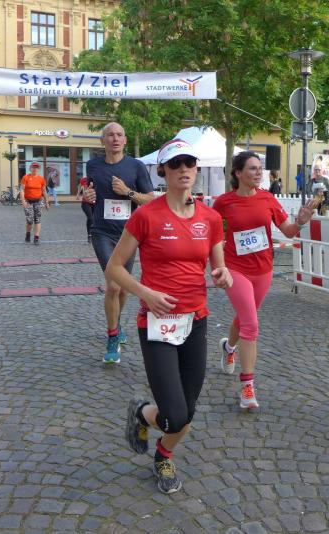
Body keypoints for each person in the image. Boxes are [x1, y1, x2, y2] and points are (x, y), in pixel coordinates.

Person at [107, 139, 232, 494]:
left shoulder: (210, 218)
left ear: (196, 168)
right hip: (157, 324)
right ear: (162, 170)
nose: (183, 169)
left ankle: (163, 452)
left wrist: (223, 274)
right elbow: (115, 268)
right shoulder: (146, 216)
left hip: (195, 320)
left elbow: (219, 266)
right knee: (174, 414)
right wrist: (145, 293)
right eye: (175, 164)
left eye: (189, 163)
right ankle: (144, 413)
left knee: (186, 413)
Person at [213, 151, 319, 410]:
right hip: (235, 269)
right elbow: (212, 236)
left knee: (244, 318)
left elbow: (289, 232)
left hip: (263, 270)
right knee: (251, 323)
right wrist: (217, 266)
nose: (258, 172)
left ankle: (229, 347)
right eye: (252, 168)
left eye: (260, 168)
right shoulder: (223, 202)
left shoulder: (268, 198)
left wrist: (300, 222)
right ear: (238, 173)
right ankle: (247, 387)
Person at [82, 122, 155, 363]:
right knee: (114, 286)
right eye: (110, 135)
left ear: (125, 140)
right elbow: (87, 195)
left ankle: (116, 322)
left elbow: (150, 200)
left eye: (119, 135)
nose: (115, 138)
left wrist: (128, 192)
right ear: (102, 141)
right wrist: (87, 196)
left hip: (128, 234)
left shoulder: (136, 166)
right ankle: (112, 335)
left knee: (123, 288)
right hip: (102, 231)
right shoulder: (93, 165)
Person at [20, 162, 50, 244]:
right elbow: (22, 190)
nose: (35, 169)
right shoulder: (26, 177)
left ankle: (36, 238)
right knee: (30, 220)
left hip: (38, 201)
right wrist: (23, 201)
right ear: (30, 168)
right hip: (28, 201)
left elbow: (44, 191)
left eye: (36, 168)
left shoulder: (41, 179)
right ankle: (28, 233)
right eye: (33, 167)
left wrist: (47, 202)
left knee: (37, 219)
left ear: (38, 169)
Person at [76, 175, 95, 242]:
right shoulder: (84, 179)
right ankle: (89, 235)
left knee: (94, 219)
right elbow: (80, 185)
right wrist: (78, 194)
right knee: (90, 218)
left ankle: (95, 234)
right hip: (86, 202)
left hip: (96, 203)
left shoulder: (98, 179)